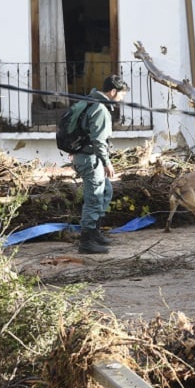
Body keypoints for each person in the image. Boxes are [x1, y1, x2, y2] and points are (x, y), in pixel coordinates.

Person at [70, 74, 127, 254]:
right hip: (90, 158)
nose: (122, 99)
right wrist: (107, 163)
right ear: (113, 91)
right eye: (121, 95)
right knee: (94, 197)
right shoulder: (100, 108)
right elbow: (99, 141)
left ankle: (95, 233)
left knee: (105, 191)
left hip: (86, 156)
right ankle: (87, 242)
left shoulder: (89, 101)